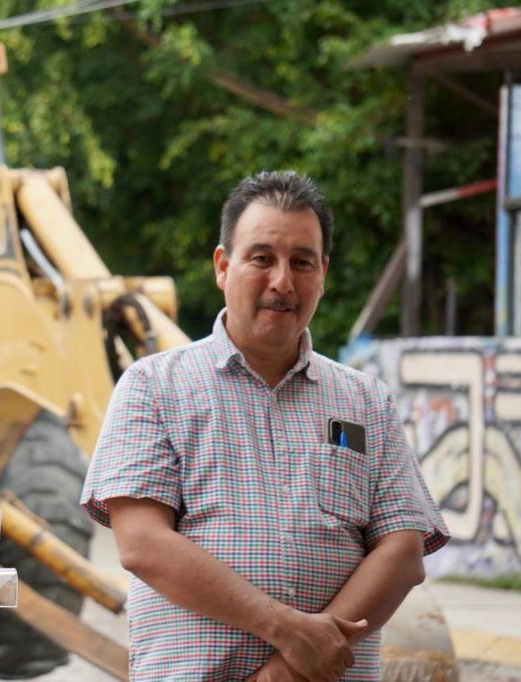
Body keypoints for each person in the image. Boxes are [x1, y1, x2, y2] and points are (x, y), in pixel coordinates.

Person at [81, 170, 449, 681]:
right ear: (222, 266)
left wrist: (289, 672)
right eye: (261, 258)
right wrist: (287, 630)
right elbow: (142, 543)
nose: (282, 281)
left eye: (302, 262)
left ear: (322, 273)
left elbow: (403, 552)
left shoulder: (367, 402)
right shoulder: (153, 387)